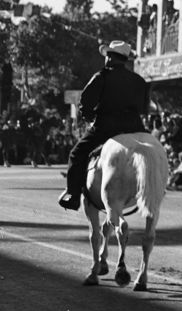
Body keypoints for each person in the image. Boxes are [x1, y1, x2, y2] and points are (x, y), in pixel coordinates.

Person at [58, 41, 151, 210]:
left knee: (76, 154)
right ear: (124, 59)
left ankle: (73, 195)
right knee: (154, 152)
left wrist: (90, 117)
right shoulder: (139, 81)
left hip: (105, 127)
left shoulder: (102, 76)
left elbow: (85, 104)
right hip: (135, 128)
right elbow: (144, 108)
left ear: (109, 58)